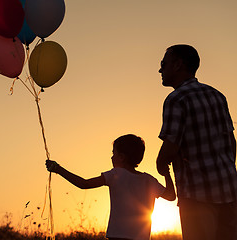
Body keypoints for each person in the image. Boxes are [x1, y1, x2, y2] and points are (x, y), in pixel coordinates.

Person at [156, 44, 237, 240]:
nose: (160, 69)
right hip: (230, 190)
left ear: (178, 65)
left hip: (197, 194)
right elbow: (231, 142)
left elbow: (170, 146)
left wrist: (160, 163)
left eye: (163, 64)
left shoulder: (176, 99)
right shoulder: (217, 95)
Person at [46, 134, 176, 240]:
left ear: (121, 157)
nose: (112, 157)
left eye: (114, 153)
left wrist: (58, 169)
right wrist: (166, 173)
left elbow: (83, 184)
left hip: (117, 237)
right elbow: (171, 196)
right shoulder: (149, 180)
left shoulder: (116, 174)